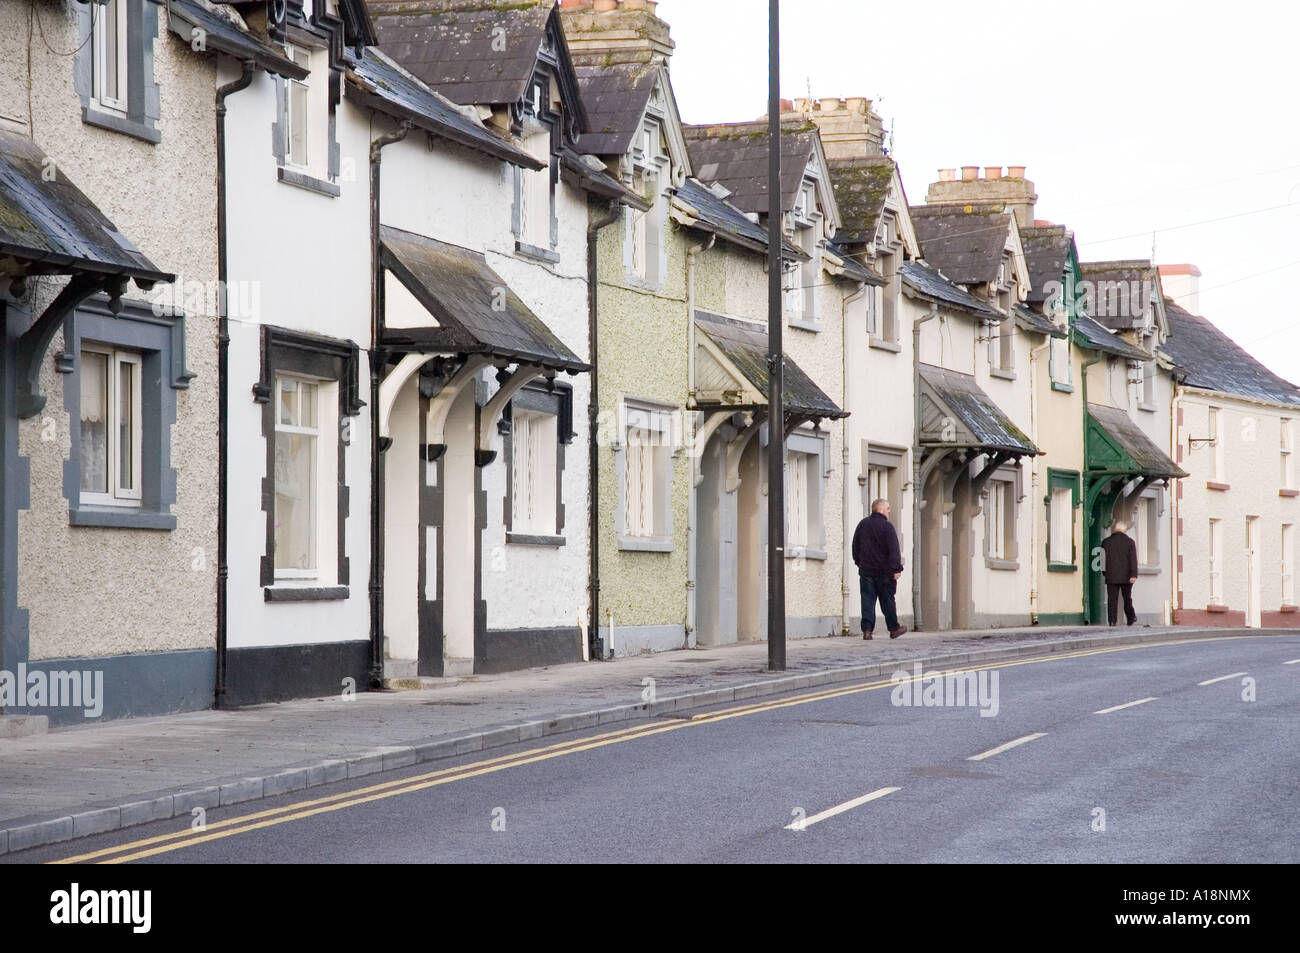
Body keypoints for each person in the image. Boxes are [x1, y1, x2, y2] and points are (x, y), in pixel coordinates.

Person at [851, 498, 907, 640]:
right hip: (885, 572)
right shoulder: (887, 527)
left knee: (867, 600)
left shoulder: (862, 525)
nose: (889, 511)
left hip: (867, 571)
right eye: (888, 508)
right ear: (881, 509)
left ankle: (867, 630)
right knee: (887, 600)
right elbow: (894, 549)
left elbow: (855, 546)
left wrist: (859, 562)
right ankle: (893, 628)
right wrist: (896, 569)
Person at [1100, 520, 1139, 626]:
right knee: (1127, 598)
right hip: (1126, 577)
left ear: (1115, 529)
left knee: (1112, 600)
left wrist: (1105, 572)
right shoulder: (1130, 542)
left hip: (1111, 575)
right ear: (1125, 530)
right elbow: (1133, 560)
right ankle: (1131, 618)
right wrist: (1133, 574)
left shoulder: (1106, 542)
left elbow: (1102, 560)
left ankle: (1112, 621)